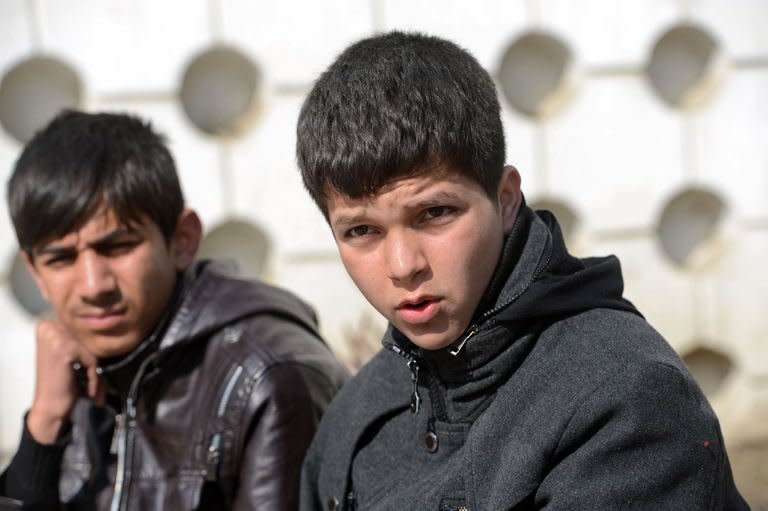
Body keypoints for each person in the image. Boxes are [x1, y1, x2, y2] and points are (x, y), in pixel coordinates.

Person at [295, 32, 748, 510]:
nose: (404, 266)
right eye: (362, 231)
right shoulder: (358, 413)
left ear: (505, 199)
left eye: (435, 214)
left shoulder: (626, 399)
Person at [0, 110, 348, 510]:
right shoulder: (72, 372)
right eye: (60, 259)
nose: (94, 286)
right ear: (35, 273)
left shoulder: (267, 378)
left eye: (118, 247)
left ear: (182, 241)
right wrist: (44, 425)